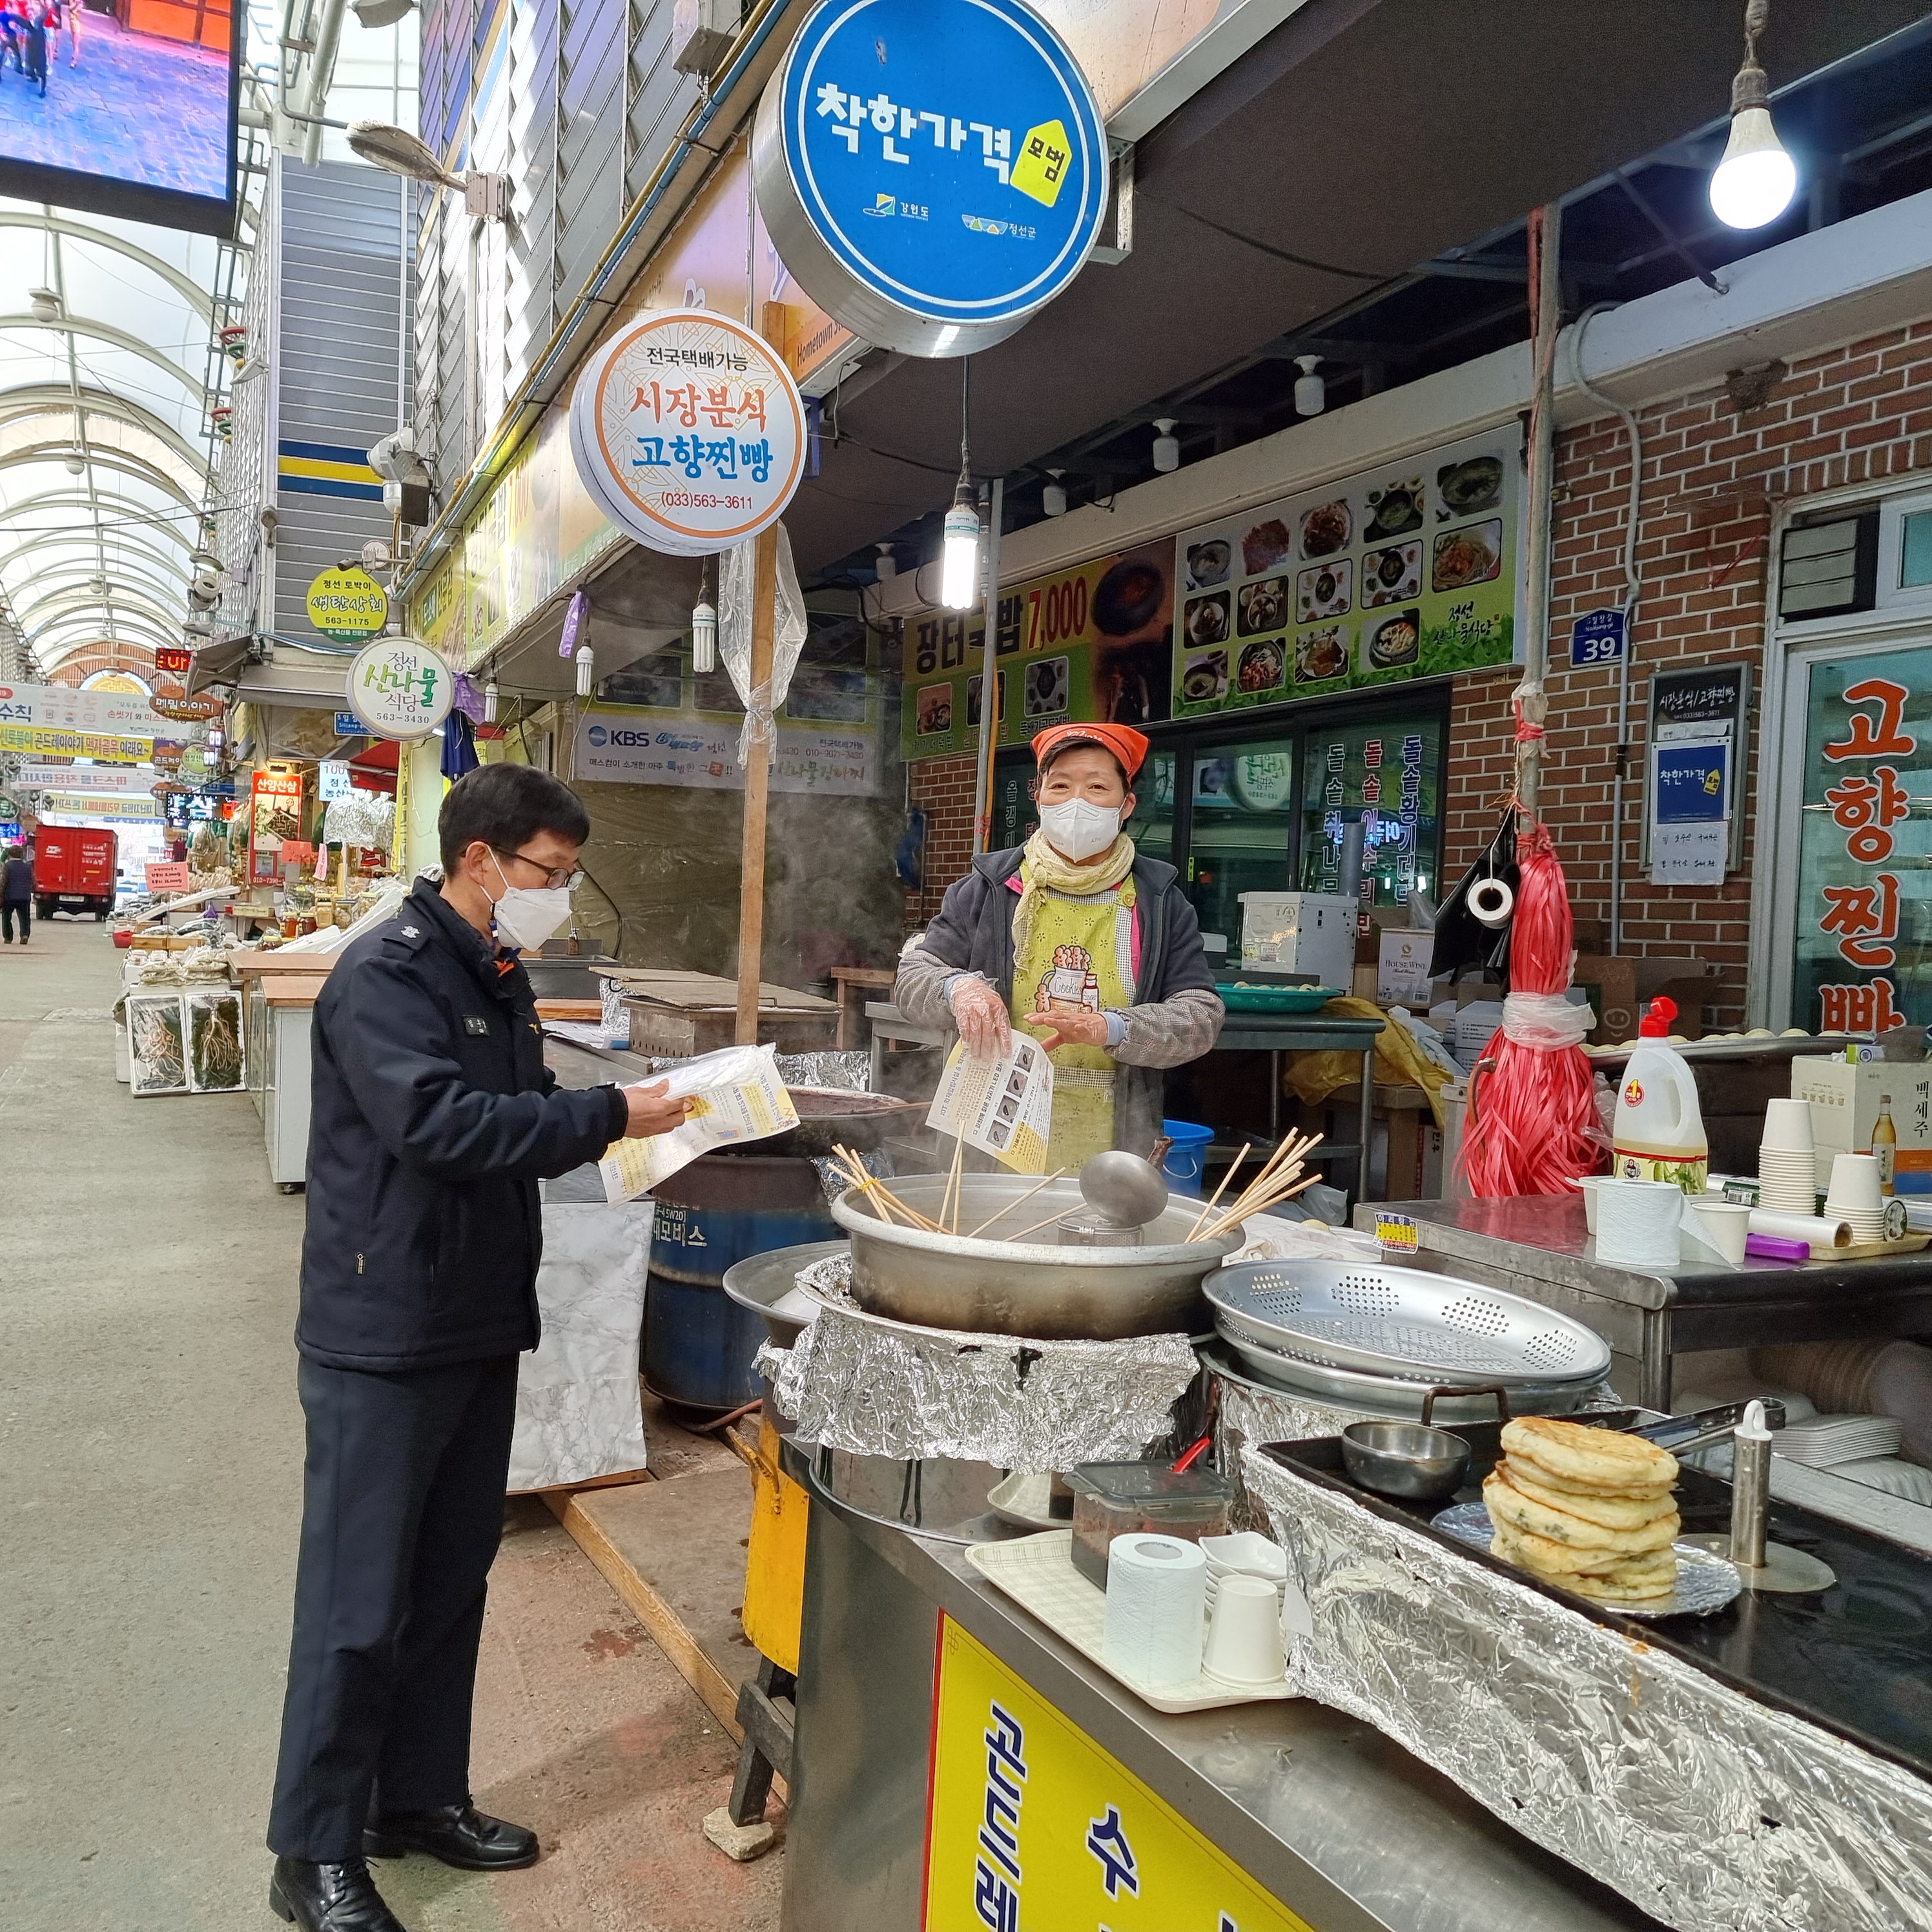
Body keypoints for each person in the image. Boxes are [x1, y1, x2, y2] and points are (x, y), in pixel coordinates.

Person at [265, 764, 691, 1932]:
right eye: (551, 871)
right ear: (481, 858)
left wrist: (633, 1121)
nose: (560, 894)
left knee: (451, 1581)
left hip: (473, 1316)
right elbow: (442, 1127)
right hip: (384, 1329)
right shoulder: (387, 974)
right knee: (357, 1602)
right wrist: (611, 1116)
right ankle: (313, 1852)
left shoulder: (492, 971)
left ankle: (414, 1799)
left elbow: (525, 1104)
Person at [895, 723, 1223, 1167]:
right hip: (986, 1145)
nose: (1076, 803)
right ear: (1038, 797)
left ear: (1126, 805)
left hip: (1114, 1154)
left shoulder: (1160, 902)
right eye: (1061, 786)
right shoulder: (987, 889)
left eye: (1097, 787)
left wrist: (1112, 1027)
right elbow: (912, 979)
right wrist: (958, 989)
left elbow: (1200, 1017)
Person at [1, 843, 31, 945]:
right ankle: (24, 935)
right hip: (24, 896)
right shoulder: (28, 867)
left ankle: (8, 937)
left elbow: (3, 881)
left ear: (9, 855)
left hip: (9, 896)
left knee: (6, 917)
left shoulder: (6, 866)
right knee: (25, 917)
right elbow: (32, 881)